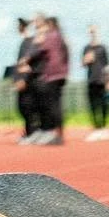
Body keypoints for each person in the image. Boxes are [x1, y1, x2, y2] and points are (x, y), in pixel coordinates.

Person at [26, 15, 68, 146]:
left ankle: (53, 133)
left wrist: (27, 57)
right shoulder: (61, 38)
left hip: (51, 74)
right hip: (60, 74)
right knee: (56, 104)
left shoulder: (51, 36)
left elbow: (38, 51)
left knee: (51, 105)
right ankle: (58, 134)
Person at [12, 18, 40, 141]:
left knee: (27, 106)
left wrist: (23, 79)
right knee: (23, 107)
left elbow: (27, 63)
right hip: (23, 80)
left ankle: (32, 133)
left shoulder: (30, 42)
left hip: (28, 81)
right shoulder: (25, 42)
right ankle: (29, 132)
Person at [82, 25, 109, 141]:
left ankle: (104, 127)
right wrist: (86, 60)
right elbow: (83, 63)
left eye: (94, 31)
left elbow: (107, 65)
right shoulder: (86, 48)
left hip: (102, 80)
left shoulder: (102, 48)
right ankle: (96, 128)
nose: (92, 33)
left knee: (104, 104)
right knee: (93, 105)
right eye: (91, 31)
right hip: (91, 80)